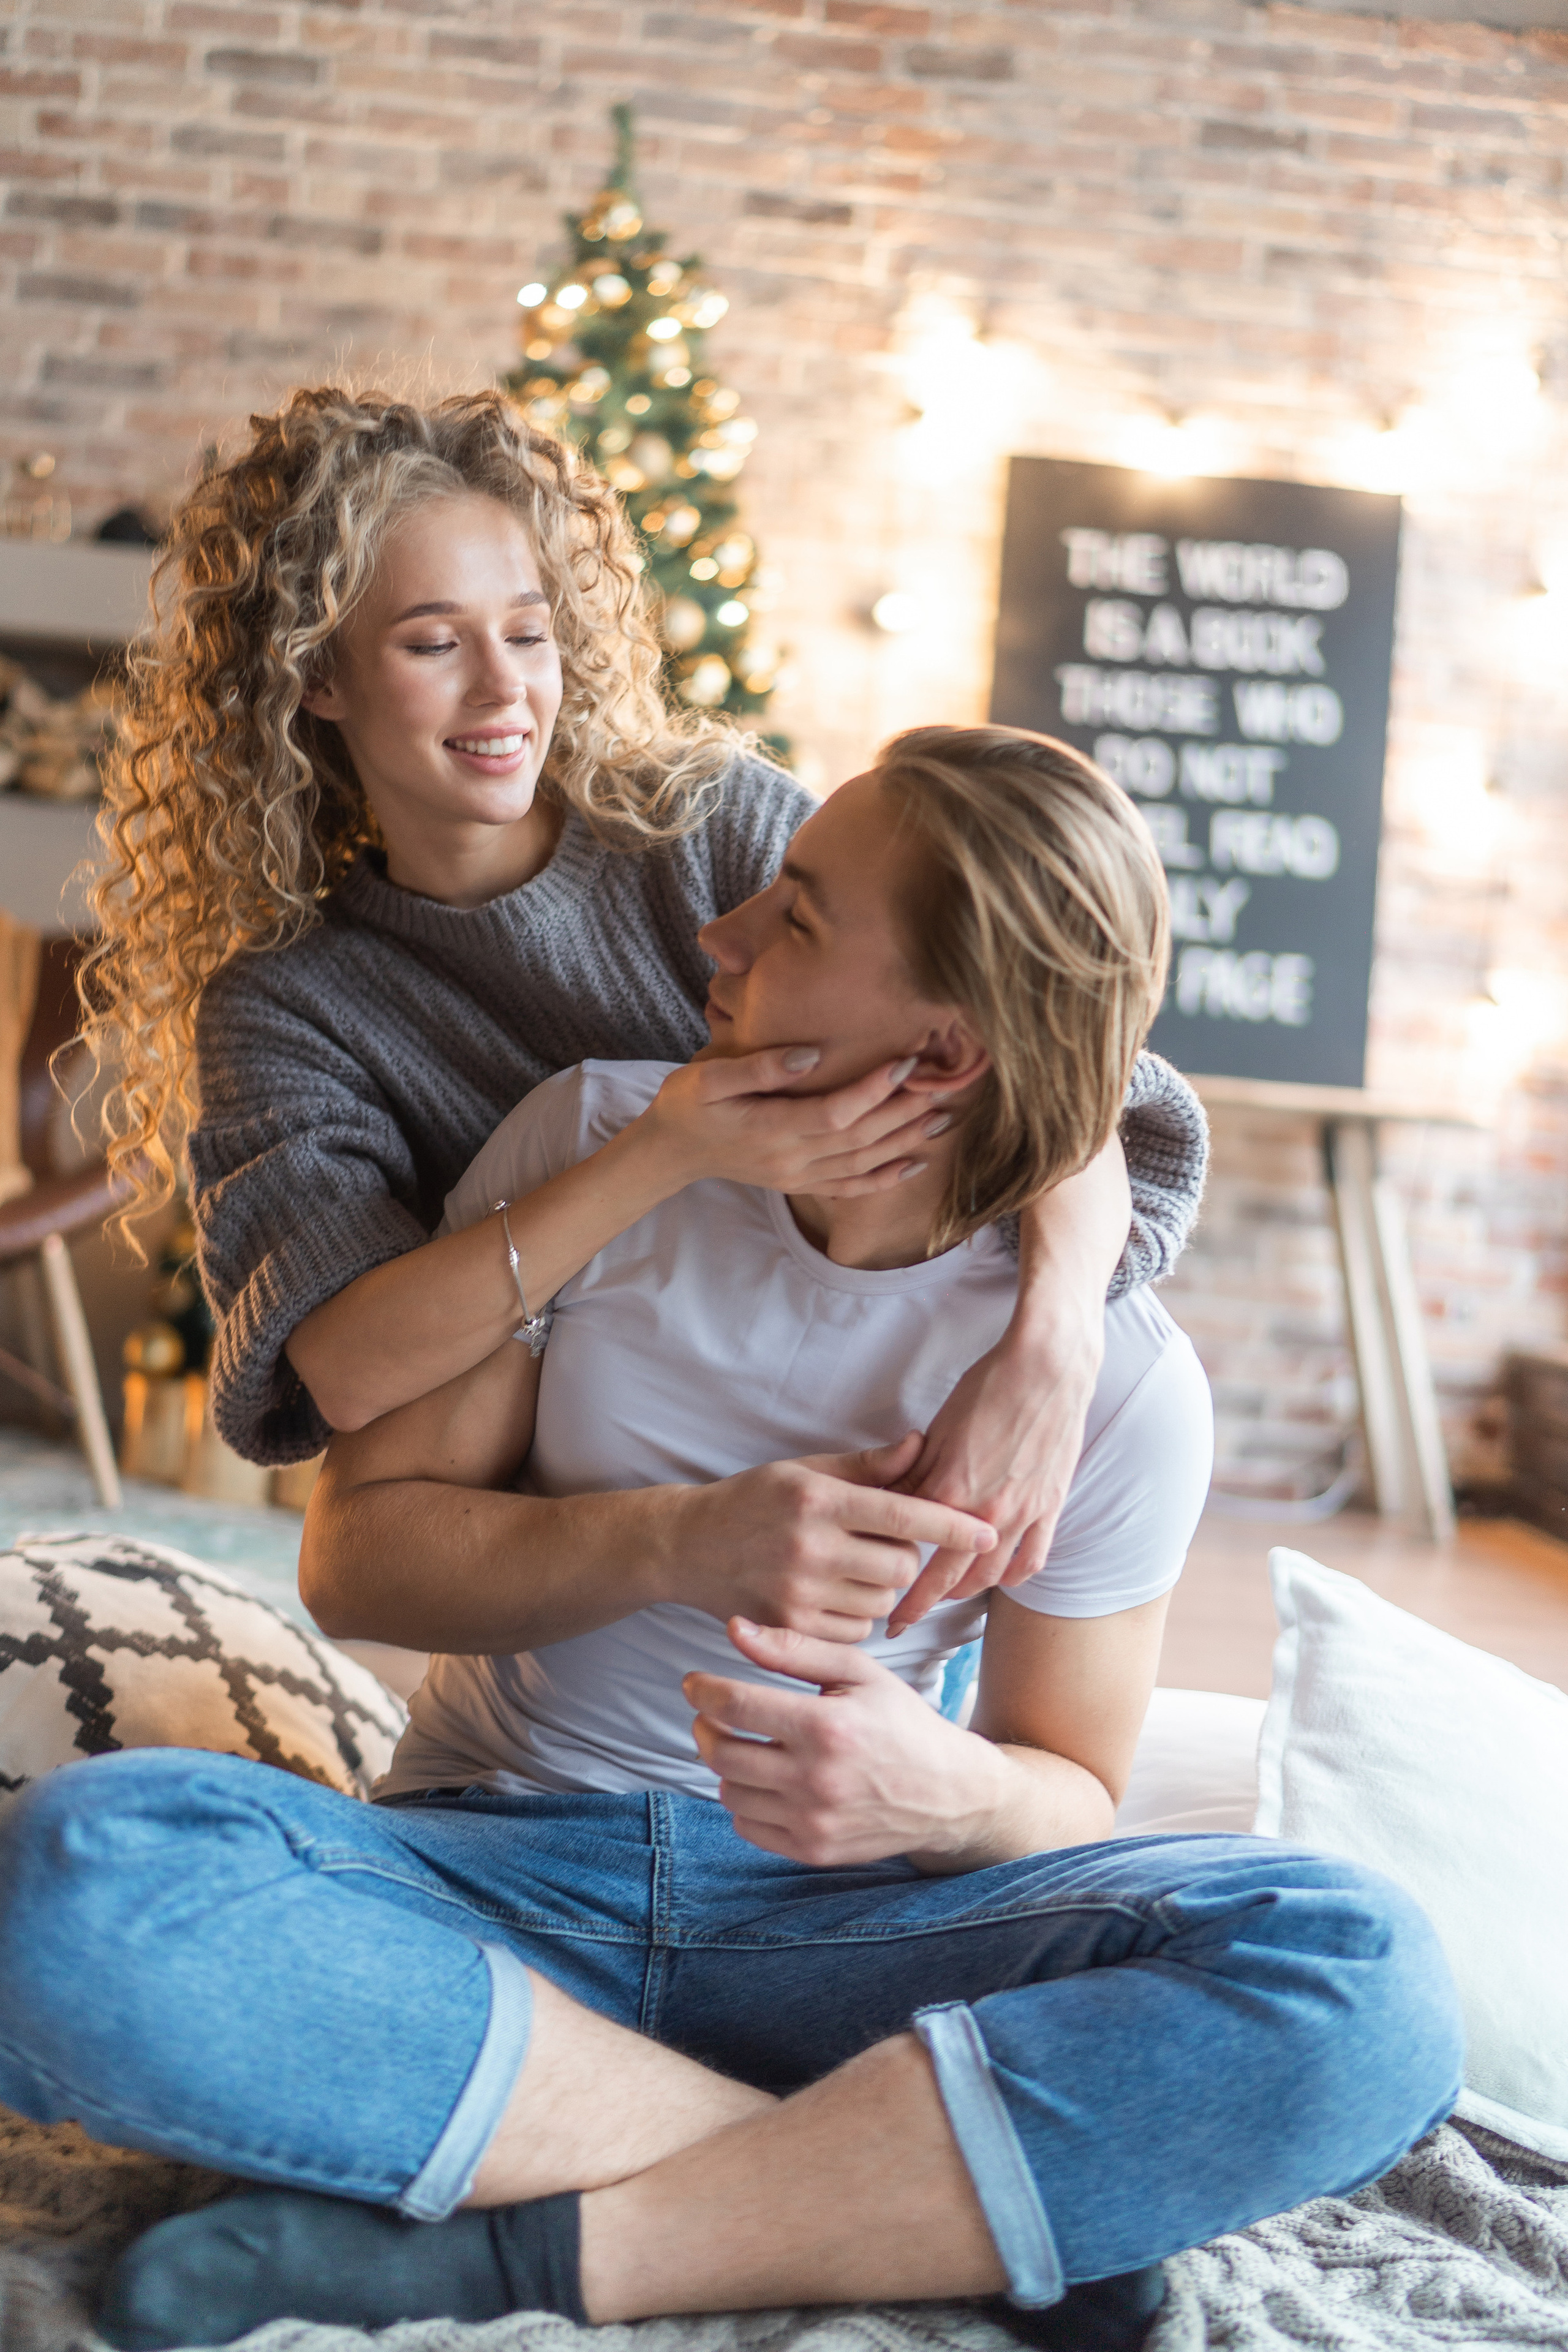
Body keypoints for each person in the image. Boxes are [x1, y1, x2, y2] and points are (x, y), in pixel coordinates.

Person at [0, 726, 1461, 2352]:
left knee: (1367, 1978)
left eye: (802, 921)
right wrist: (687, 1539)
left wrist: (947, 1787)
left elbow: (1069, 1787)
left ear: (947, 1049)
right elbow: (361, 1565)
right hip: (493, 1874)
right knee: (85, 1877)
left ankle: (529, 2247)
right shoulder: (598, 1145)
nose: (722, 936)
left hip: (857, 1934)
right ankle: (908, 2204)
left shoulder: (1110, 1378)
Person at [81, 385, 1209, 1630]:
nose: (502, 689)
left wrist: (1051, 1352)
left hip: (859, 1480)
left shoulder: (712, 827)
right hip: (571, 1521)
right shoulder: (293, 1004)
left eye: (527, 631)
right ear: (316, 678)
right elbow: (343, 1369)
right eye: (431, 642)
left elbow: (1058, 1081)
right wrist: (666, 1148)